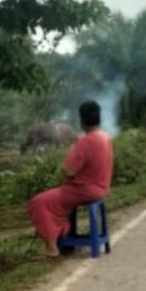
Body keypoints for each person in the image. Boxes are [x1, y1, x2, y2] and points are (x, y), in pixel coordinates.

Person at [27, 101, 115, 259]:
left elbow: (68, 170)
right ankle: (63, 233)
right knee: (56, 200)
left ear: (81, 121)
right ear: (99, 118)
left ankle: (52, 248)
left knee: (39, 202)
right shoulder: (105, 137)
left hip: (83, 190)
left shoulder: (85, 141)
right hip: (101, 188)